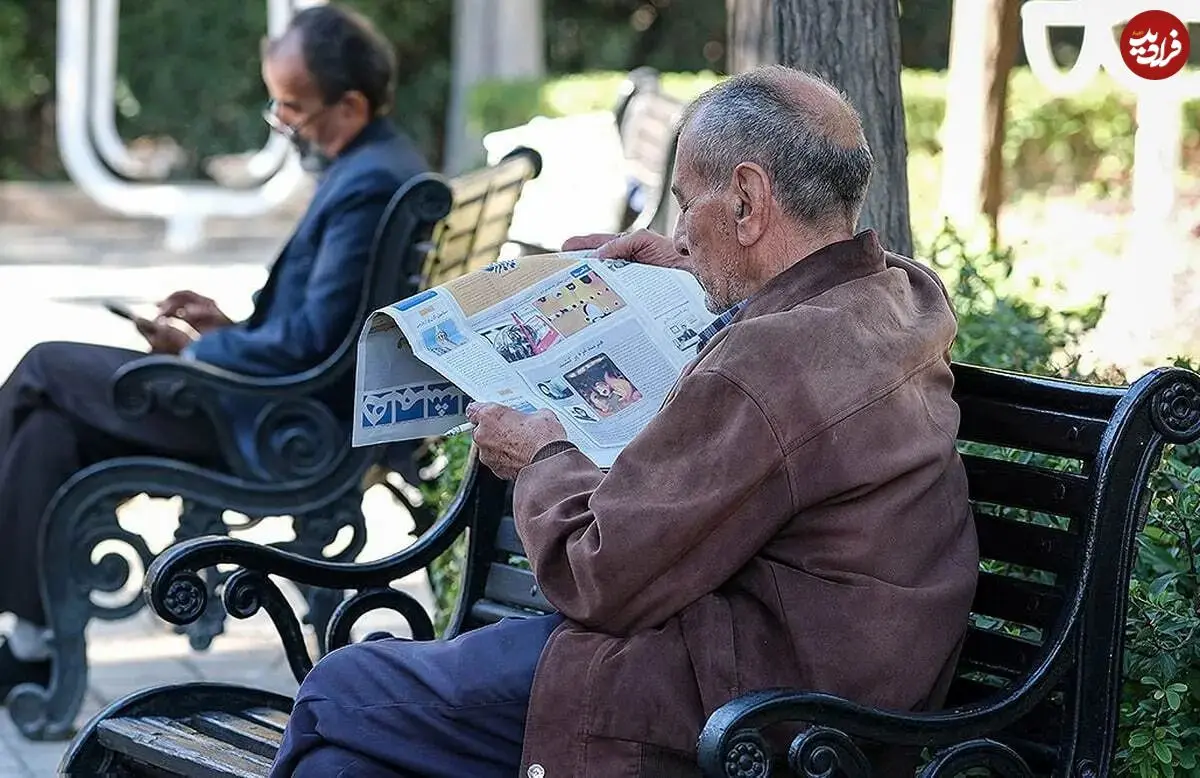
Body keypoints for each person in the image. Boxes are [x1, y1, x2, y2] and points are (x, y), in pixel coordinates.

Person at [270, 65, 979, 778]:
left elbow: (597, 573)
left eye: (684, 205)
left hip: (741, 711)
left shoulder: (771, 363)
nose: (676, 231)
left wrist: (541, 456)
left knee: (339, 691)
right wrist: (688, 269)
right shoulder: (898, 293)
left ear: (746, 200)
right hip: (817, 684)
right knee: (342, 768)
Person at [0, 3, 428, 695]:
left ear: (350, 104)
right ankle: (29, 644)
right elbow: (316, 332)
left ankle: (28, 642)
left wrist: (204, 353)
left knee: (45, 366)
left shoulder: (369, 181)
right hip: (284, 408)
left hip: (275, 426)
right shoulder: (379, 162)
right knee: (48, 427)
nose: (283, 123)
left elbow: (311, 345)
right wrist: (219, 328)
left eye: (293, 108)